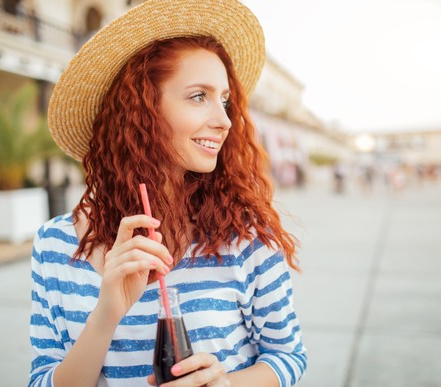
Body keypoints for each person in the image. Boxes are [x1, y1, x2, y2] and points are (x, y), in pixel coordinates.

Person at [29, 0, 307, 386]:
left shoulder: (244, 233)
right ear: (140, 110)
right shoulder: (55, 244)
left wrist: (226, 385)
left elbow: (288, 356)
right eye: (199, 96)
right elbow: (42, 380)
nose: (225, 120)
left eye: (224, 100)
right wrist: (107, 314)